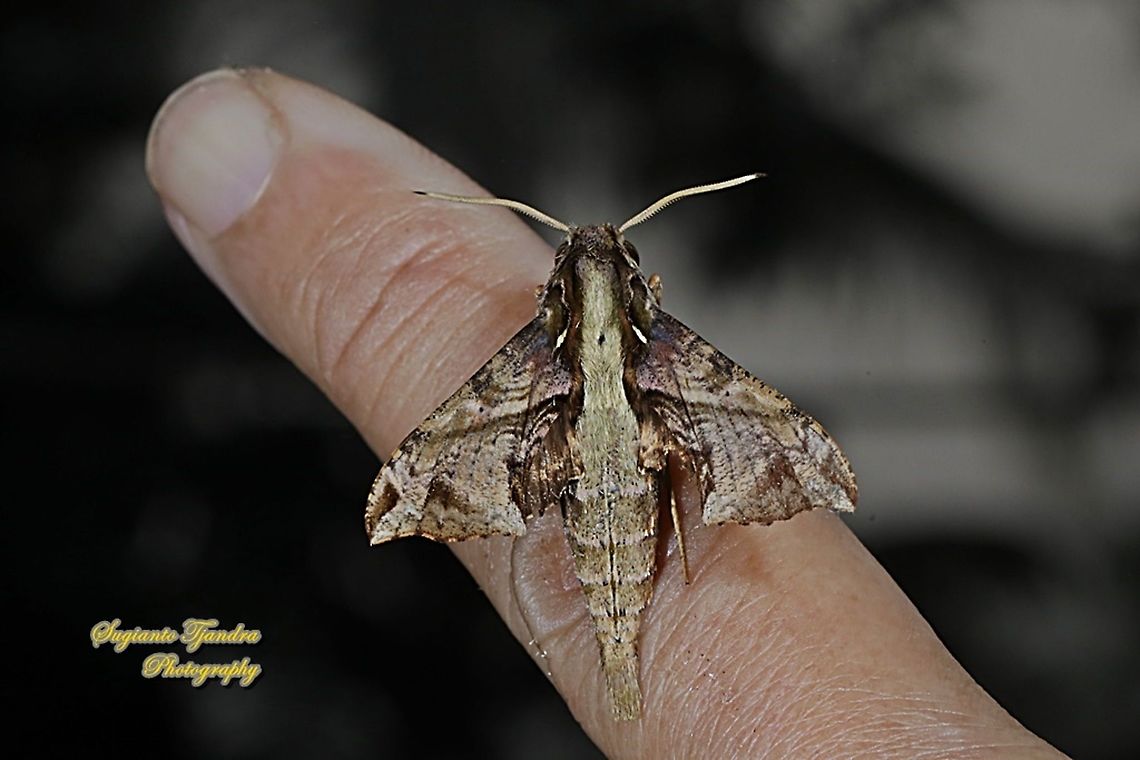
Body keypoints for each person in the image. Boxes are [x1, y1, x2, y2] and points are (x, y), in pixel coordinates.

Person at [146, 68, 1064, 758]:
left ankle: (621, 654)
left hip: (580, 480)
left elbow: (416, 483)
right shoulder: (670, 348)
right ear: (637, 286)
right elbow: (797, 453)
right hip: (634, 455)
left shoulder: (538, 351)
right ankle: (624, 656)